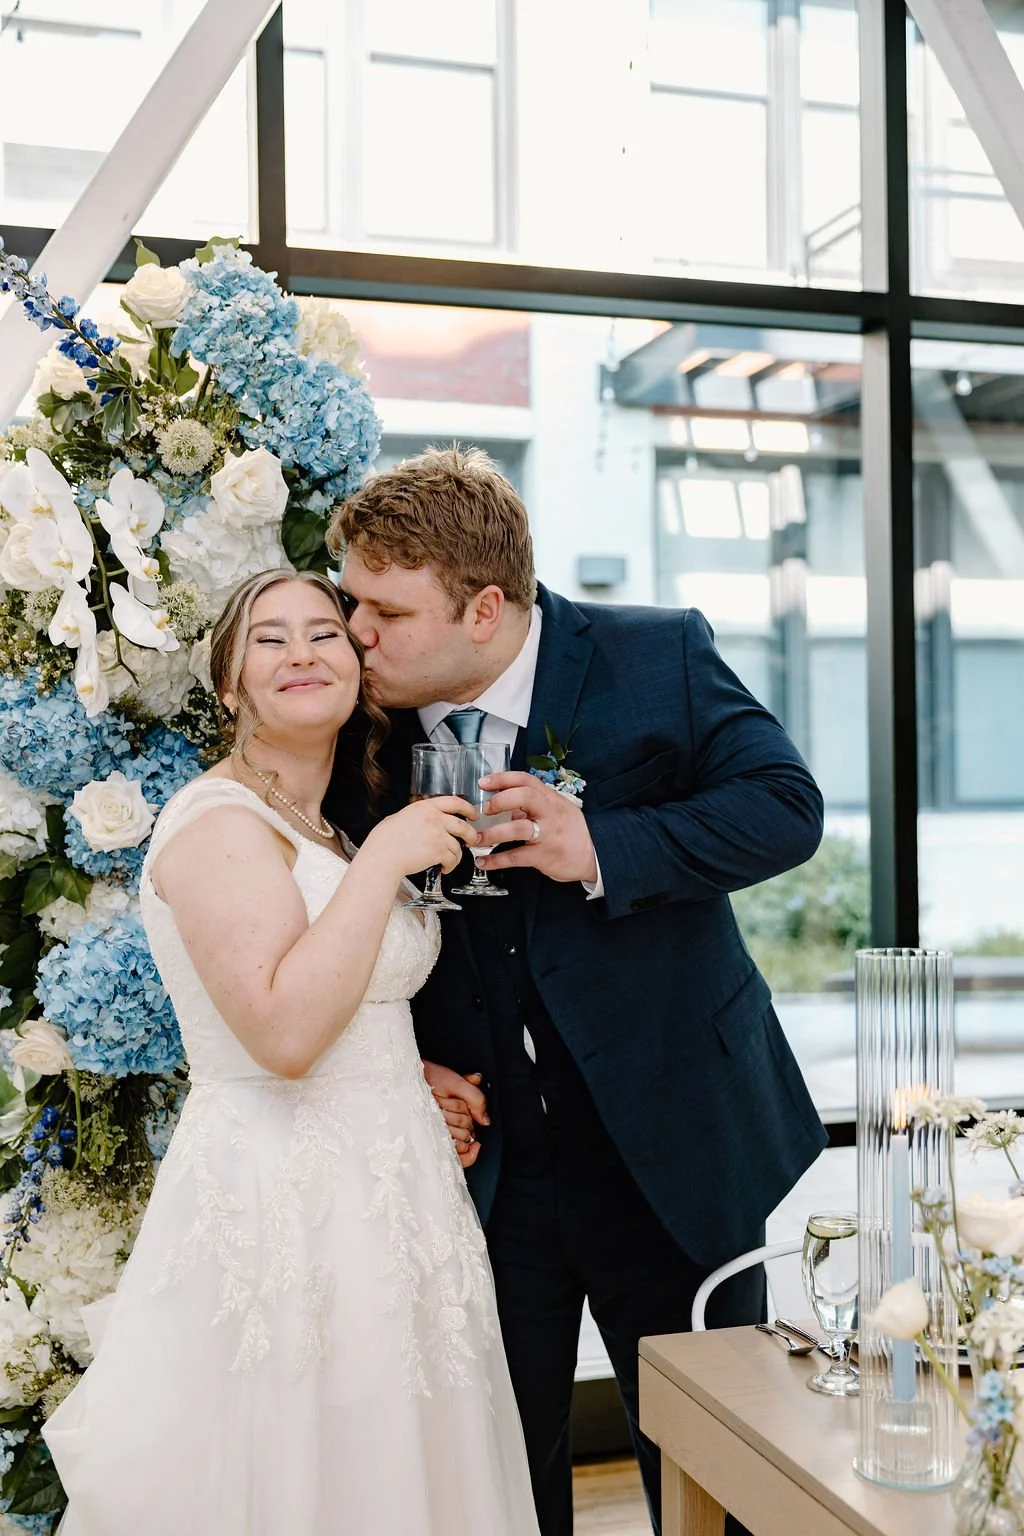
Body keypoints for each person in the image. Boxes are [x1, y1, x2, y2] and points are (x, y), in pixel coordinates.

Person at [324, 447, 829, 1536]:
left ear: (484, 608)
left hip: (675, 1141)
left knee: (709, 1465)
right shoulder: (356, 717)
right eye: (349, 600)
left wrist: (600, 840)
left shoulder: (657, 655)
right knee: (498, 1467)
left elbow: (788, 807)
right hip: (483, 1170)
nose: (354, 631)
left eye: (384, 610)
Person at [44, 569, 542, 1536]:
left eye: (325, 634)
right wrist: (393, 858)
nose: (306, 652)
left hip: (389, 1204)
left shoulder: (318, 824)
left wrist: (406, 1069)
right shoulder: (222, 824)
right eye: (271, 640)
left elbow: (341, 991)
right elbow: (279, 1033)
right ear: (228, 685)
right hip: (288, 1214)